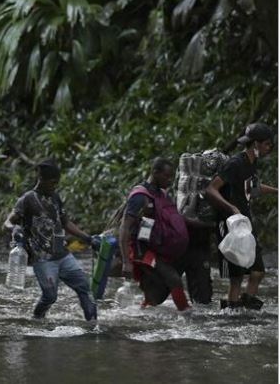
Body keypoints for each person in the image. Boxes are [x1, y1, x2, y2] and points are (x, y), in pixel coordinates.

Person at [6, 159, 97, 321]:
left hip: (63, 255)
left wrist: (87, 238)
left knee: (85, 288)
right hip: (42, 259)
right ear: (43, 180)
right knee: (50, 296)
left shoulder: (55, 197)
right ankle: (36, 319)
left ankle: (93, 326)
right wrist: (16, 231)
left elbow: (65, 223)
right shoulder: (27, 199)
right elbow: (8, 222)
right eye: (53, 183)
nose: (55, 186)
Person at [206, 123, 277, 309]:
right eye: (268, 144)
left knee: (258, 271)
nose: (270, 148)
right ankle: (233, 314)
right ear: (256, 144)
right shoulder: (235, 163)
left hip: (244, 222)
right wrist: (231, 208)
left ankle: (245, 309)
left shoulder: (252, 162)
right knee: (236, 276)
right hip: (229, 222)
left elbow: (252, 188)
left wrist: (277, 191)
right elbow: (211, 189)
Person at [118, 158, 191, 311]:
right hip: (139, 250)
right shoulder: (140, 196)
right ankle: (187, 315)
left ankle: (145, 311)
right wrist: (126, 262)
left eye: (172, 176)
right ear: (154, 173)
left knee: (157, 290)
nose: (170, 180)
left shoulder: (161, 193)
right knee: (173, 279)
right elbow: (125, 228)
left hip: (156, 246)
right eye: (167, 176)